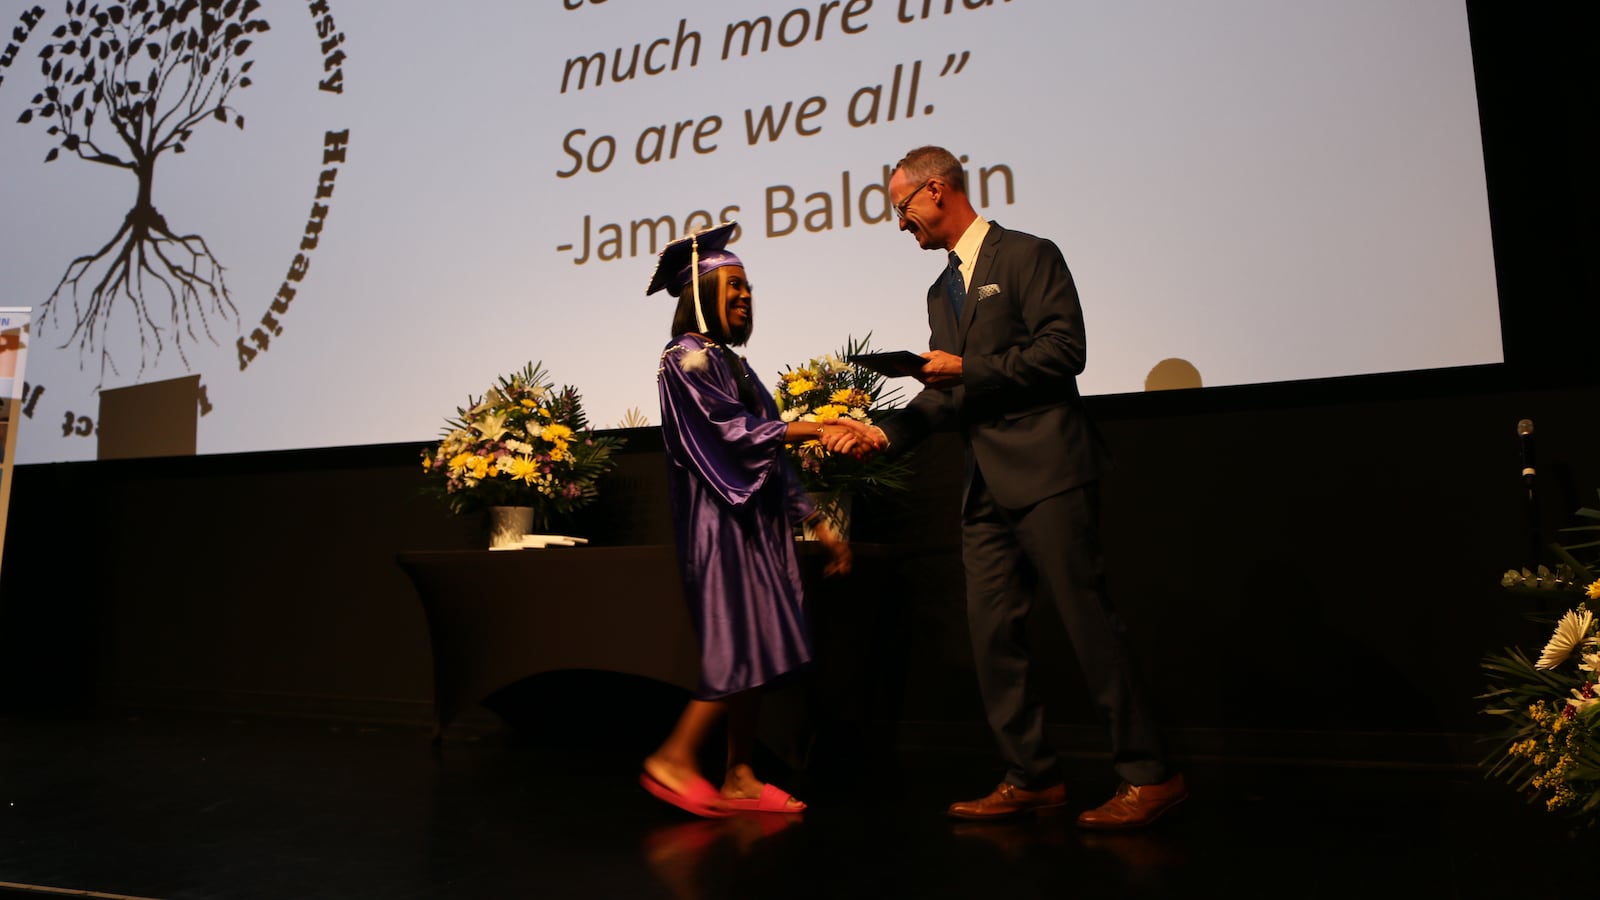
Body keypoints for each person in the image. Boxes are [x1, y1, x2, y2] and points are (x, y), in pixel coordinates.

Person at [850, 146, 1187, 828]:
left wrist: (969, 366)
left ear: (937, 190)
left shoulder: (1030, 255)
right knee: (992, 636)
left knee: (1089, 624)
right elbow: (949, 393)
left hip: (1049, 469)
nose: (900, 223)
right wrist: (883, 434)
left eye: (902, 207)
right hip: (984, 486)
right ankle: (1031, 775)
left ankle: (1150, 775)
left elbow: (1066, 351)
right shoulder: (938, 290)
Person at [641, 222, 874, 818]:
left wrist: (819, 524)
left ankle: (739, 773)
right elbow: (730, 435)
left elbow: (769, 457)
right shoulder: (685, 358)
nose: (746, 297)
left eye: (749, 288)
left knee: (760, 645)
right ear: (701, 293)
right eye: (734, 286)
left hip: (754, 525)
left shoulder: (734, 365)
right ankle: (674, 756)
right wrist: (817, 425)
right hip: (719, 525)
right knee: (738, 645)